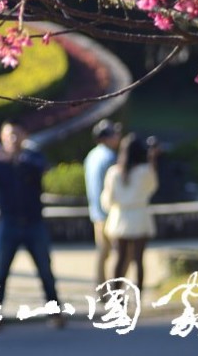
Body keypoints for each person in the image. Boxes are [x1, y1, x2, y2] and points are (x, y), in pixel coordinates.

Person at [0, 120, 63, 327]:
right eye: (8, 134)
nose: (12, 138)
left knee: (45, 270)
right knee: (0, 273)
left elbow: (42, 167)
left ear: (24, 136)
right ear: (2, 137)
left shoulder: (32, 157)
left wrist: (17, 160)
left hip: (34, 223)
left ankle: (55, 313)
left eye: (16, 134)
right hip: (8, 224)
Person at [101, 133, 159, 293]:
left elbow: (108, 199)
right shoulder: (145, 171)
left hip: (120, 218)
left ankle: (116, 296)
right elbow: (152, 188)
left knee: (119, 259)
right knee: (138, 260)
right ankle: (138, 294)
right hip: (139, 217)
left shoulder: (114, 172)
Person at [84, 118, 122, 286]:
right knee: (117, 253)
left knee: (102, 253)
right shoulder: (110, 157)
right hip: (109, 212)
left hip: (96, 211)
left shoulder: (91, 155)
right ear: (106, 137)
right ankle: (112, 289)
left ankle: (101, 287)